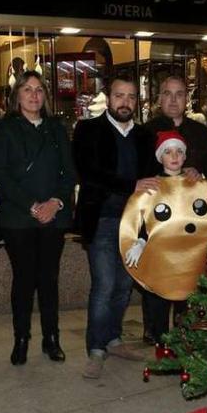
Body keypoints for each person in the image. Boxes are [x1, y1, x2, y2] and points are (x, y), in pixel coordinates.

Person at [73, 75, 158, 379]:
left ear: (138, 101)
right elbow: (89, 173)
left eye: (131, 97)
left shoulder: (146, 136)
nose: (125, 102)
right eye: (119, 95)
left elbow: (154, 179)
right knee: (105, 285)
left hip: (135, 223)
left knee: (124, 286)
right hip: (103, 221)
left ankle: (113, 339)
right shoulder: (87, 130)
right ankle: (95, 349)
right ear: (108, 98)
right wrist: (131, 184)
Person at [0, 70, 77, 365]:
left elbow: (69, 172)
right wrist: (32, 206)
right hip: (19, 217)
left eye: (39, 89)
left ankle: (52, 338)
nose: (34, 95)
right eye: (27, 89)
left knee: (49, 279)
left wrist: (55, 203)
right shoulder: (5, 128)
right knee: (24, 280)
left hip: (53, 216)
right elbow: (0, 175)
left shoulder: (56, 128)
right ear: (18, 95)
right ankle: (21, 338)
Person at [143, 75, 207, 343]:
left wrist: (198, 173)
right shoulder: (146, 131)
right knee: (158, 276)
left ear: (186, 99)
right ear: (159, 98)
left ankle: (185, 329)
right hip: (159, 221)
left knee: (188, 274)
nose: (174, 99)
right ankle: (154, 330)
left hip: (192, 222)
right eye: (168, 93)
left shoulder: (200, 132)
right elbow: (138, 175)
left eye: (179, 94)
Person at [124, 130, 190, 344]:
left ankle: (182, 348)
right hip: (159, 255)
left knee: (185, 304)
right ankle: (162, 346)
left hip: (186, 256)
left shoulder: (193, 184)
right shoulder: (151, 186)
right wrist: (141, 241)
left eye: (179, 151)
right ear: (160, 156)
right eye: (168, 151)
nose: (174, 156)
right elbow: (144, 217)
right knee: (158, 303)